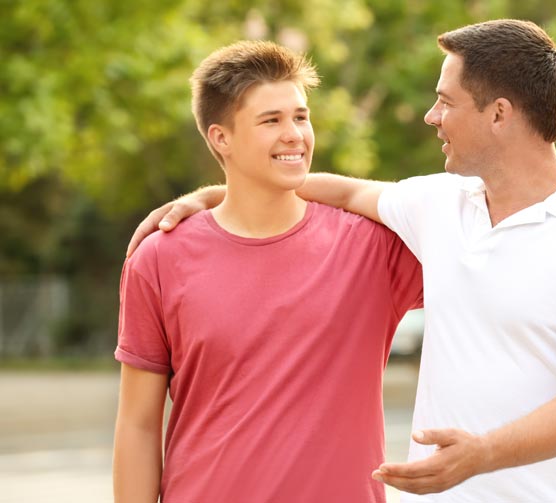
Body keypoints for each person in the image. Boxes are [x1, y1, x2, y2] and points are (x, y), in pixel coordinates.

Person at [125, 22, 556, 503]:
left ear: (499, 113)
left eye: (445, 101)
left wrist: (483, 454)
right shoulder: (439, 206)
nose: (431, 116)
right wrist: (215, 194)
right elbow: (345, 189)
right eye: (272, 120)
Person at [113, 40, 426, 503]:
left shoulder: (373, 246)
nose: (295, 134)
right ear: (221, 138)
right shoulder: (159, 258)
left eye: (300, 116)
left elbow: (478, 229)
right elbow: (137, 424)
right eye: (271, 120)